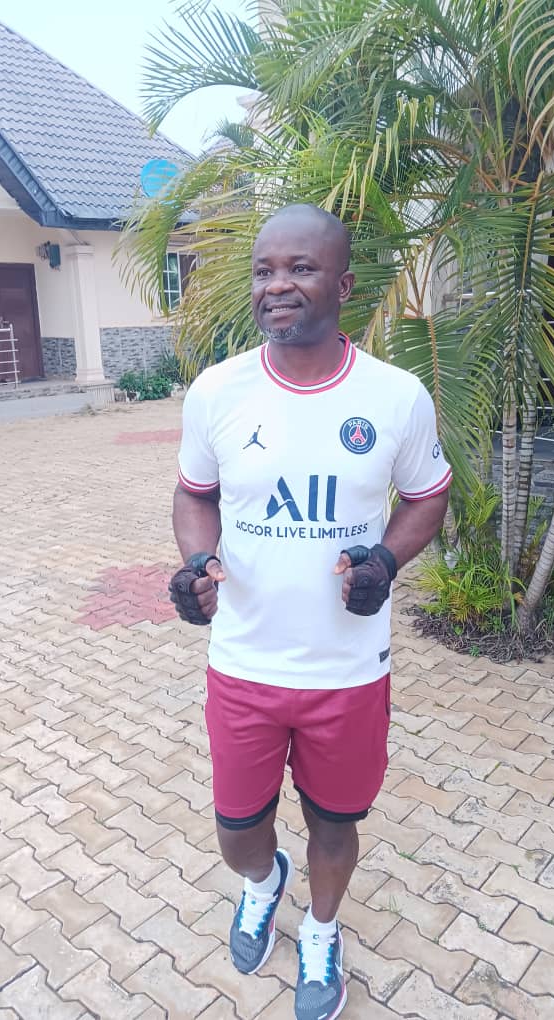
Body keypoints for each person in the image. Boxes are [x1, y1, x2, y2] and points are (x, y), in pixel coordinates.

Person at [168, 204, 451, 1020]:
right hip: (244, 665)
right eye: (264, 270)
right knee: (236, 829)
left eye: (300, 267)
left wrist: (385, 563)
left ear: (344, 284)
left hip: (347, 671)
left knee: (333, 823)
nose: (277, 285)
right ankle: (263, 885)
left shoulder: (395, 396)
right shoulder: (217, 391)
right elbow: (193, 495)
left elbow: (426, 497)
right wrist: (196, 565)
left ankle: (321, 931)